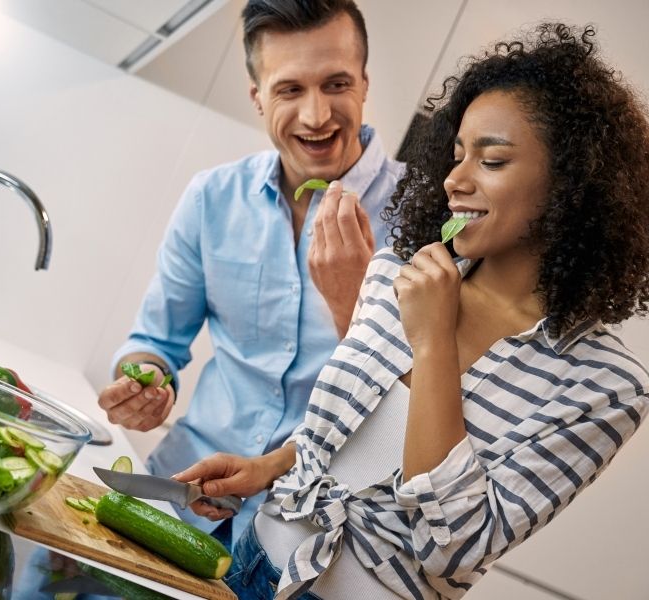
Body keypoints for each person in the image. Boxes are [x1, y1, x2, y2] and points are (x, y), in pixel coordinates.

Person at [176, 22, 649, 599]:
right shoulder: (397, 272)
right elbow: (347, 429)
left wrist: (432, 345)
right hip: (249, 562)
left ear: (571, 184)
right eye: (457, 155)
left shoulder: (606, 386)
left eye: (492, 162)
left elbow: (453, 547)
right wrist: (270, 466)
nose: (455, 179)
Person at [97, 0, 403, 545]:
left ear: (363, 83)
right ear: (257, 96)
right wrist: (142, 382)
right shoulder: (212, 198)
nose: (316, 116)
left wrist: (356, 300)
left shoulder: (422, 217)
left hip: (309, 534)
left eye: (335, 84)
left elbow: (415, 401)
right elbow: (154, 343)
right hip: (183, 493)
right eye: (290, 89)